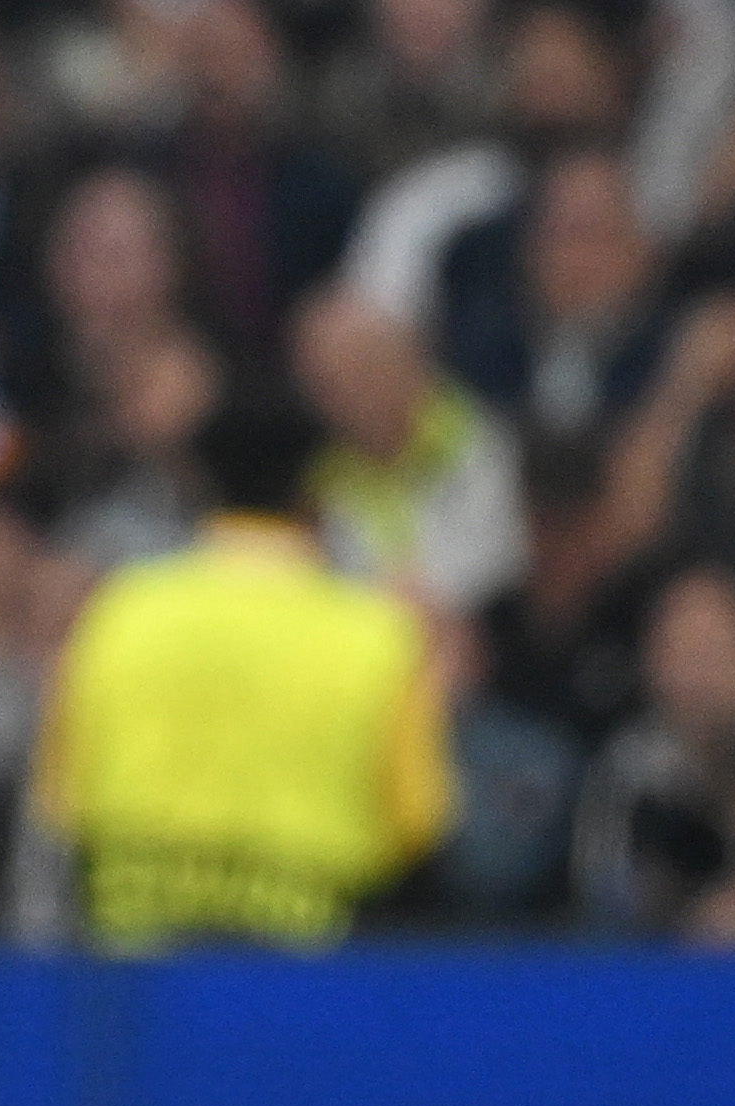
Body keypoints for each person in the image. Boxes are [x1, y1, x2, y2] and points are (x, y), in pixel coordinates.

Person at [33, 392, 453, 949]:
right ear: (314, 495)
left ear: (202, 486)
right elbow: (418, 822)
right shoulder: (377, 634)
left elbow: (64, 800)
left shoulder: (118, 612)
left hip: (139, 969)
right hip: (308, 969)